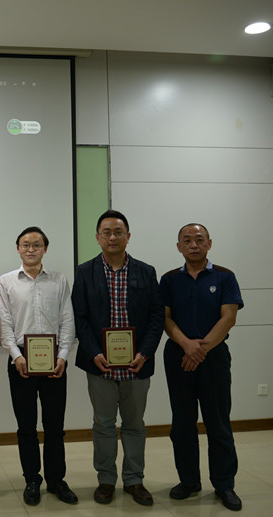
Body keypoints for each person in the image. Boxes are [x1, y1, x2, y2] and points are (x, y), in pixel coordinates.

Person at [71, 210, 164, 506]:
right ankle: (106, 480)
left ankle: (134, 479)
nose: (113, 237)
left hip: (137, 364)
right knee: (103, 424)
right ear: (98, 237)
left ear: (128, 236)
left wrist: (144, 353)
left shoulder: (146, 272)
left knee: (135, 424)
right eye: (107, 232)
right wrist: (94, 352)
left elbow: (156, 317)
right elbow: (80, 317)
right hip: (100, 364)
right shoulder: (85, 272)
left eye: (118, 232)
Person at [160, 223, 244, 511]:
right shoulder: (169, 280)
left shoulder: (224, 276)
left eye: (199, 239)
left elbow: (228, 317)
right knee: (182, 423)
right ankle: (189, 481)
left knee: (218, 422)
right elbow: (165, 318)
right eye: (187, 240)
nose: (193, 245)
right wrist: (187, 345)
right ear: (179, 247)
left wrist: (200, 350)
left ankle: (224, 484)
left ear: (209, 243)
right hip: (178, 357)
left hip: (214, 358)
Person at [0, 226, 77, 506]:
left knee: (55, 426)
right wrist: (15, 355)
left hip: (54, 360)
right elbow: (4, 323)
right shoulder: (6, 281)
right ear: (18, 248)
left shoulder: (59, 280)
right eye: (25, 245)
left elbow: (67, 319)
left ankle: (56, 480)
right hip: (21, 361)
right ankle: (32, 479)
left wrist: (63, 355)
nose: (31, 249)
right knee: (26, 426)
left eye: (37, 245)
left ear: (45, 249)